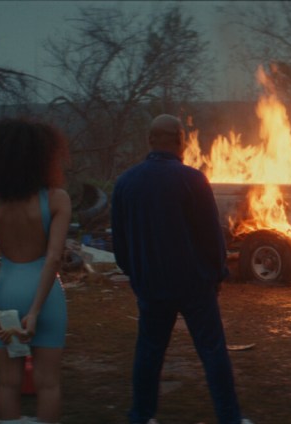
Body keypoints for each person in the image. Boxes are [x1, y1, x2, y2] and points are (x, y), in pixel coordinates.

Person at [111, 114, 247, 424]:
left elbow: (119, 243)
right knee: (213, 352)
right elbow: (212, 237)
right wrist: (217, 275)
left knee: (149, 352)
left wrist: (137, 274)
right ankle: (230, 418)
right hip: (194, 286)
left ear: (150, 140)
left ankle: (141, 416)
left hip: (151, 287)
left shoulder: (125, 183)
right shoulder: (192, 179)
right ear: (180, 140)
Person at [0, 118, 71, 424]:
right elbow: (53, 258)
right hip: (45, 294)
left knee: (8, 380)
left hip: (6, 292)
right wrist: (37, 311)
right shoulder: (56, 199)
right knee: (48, 382)